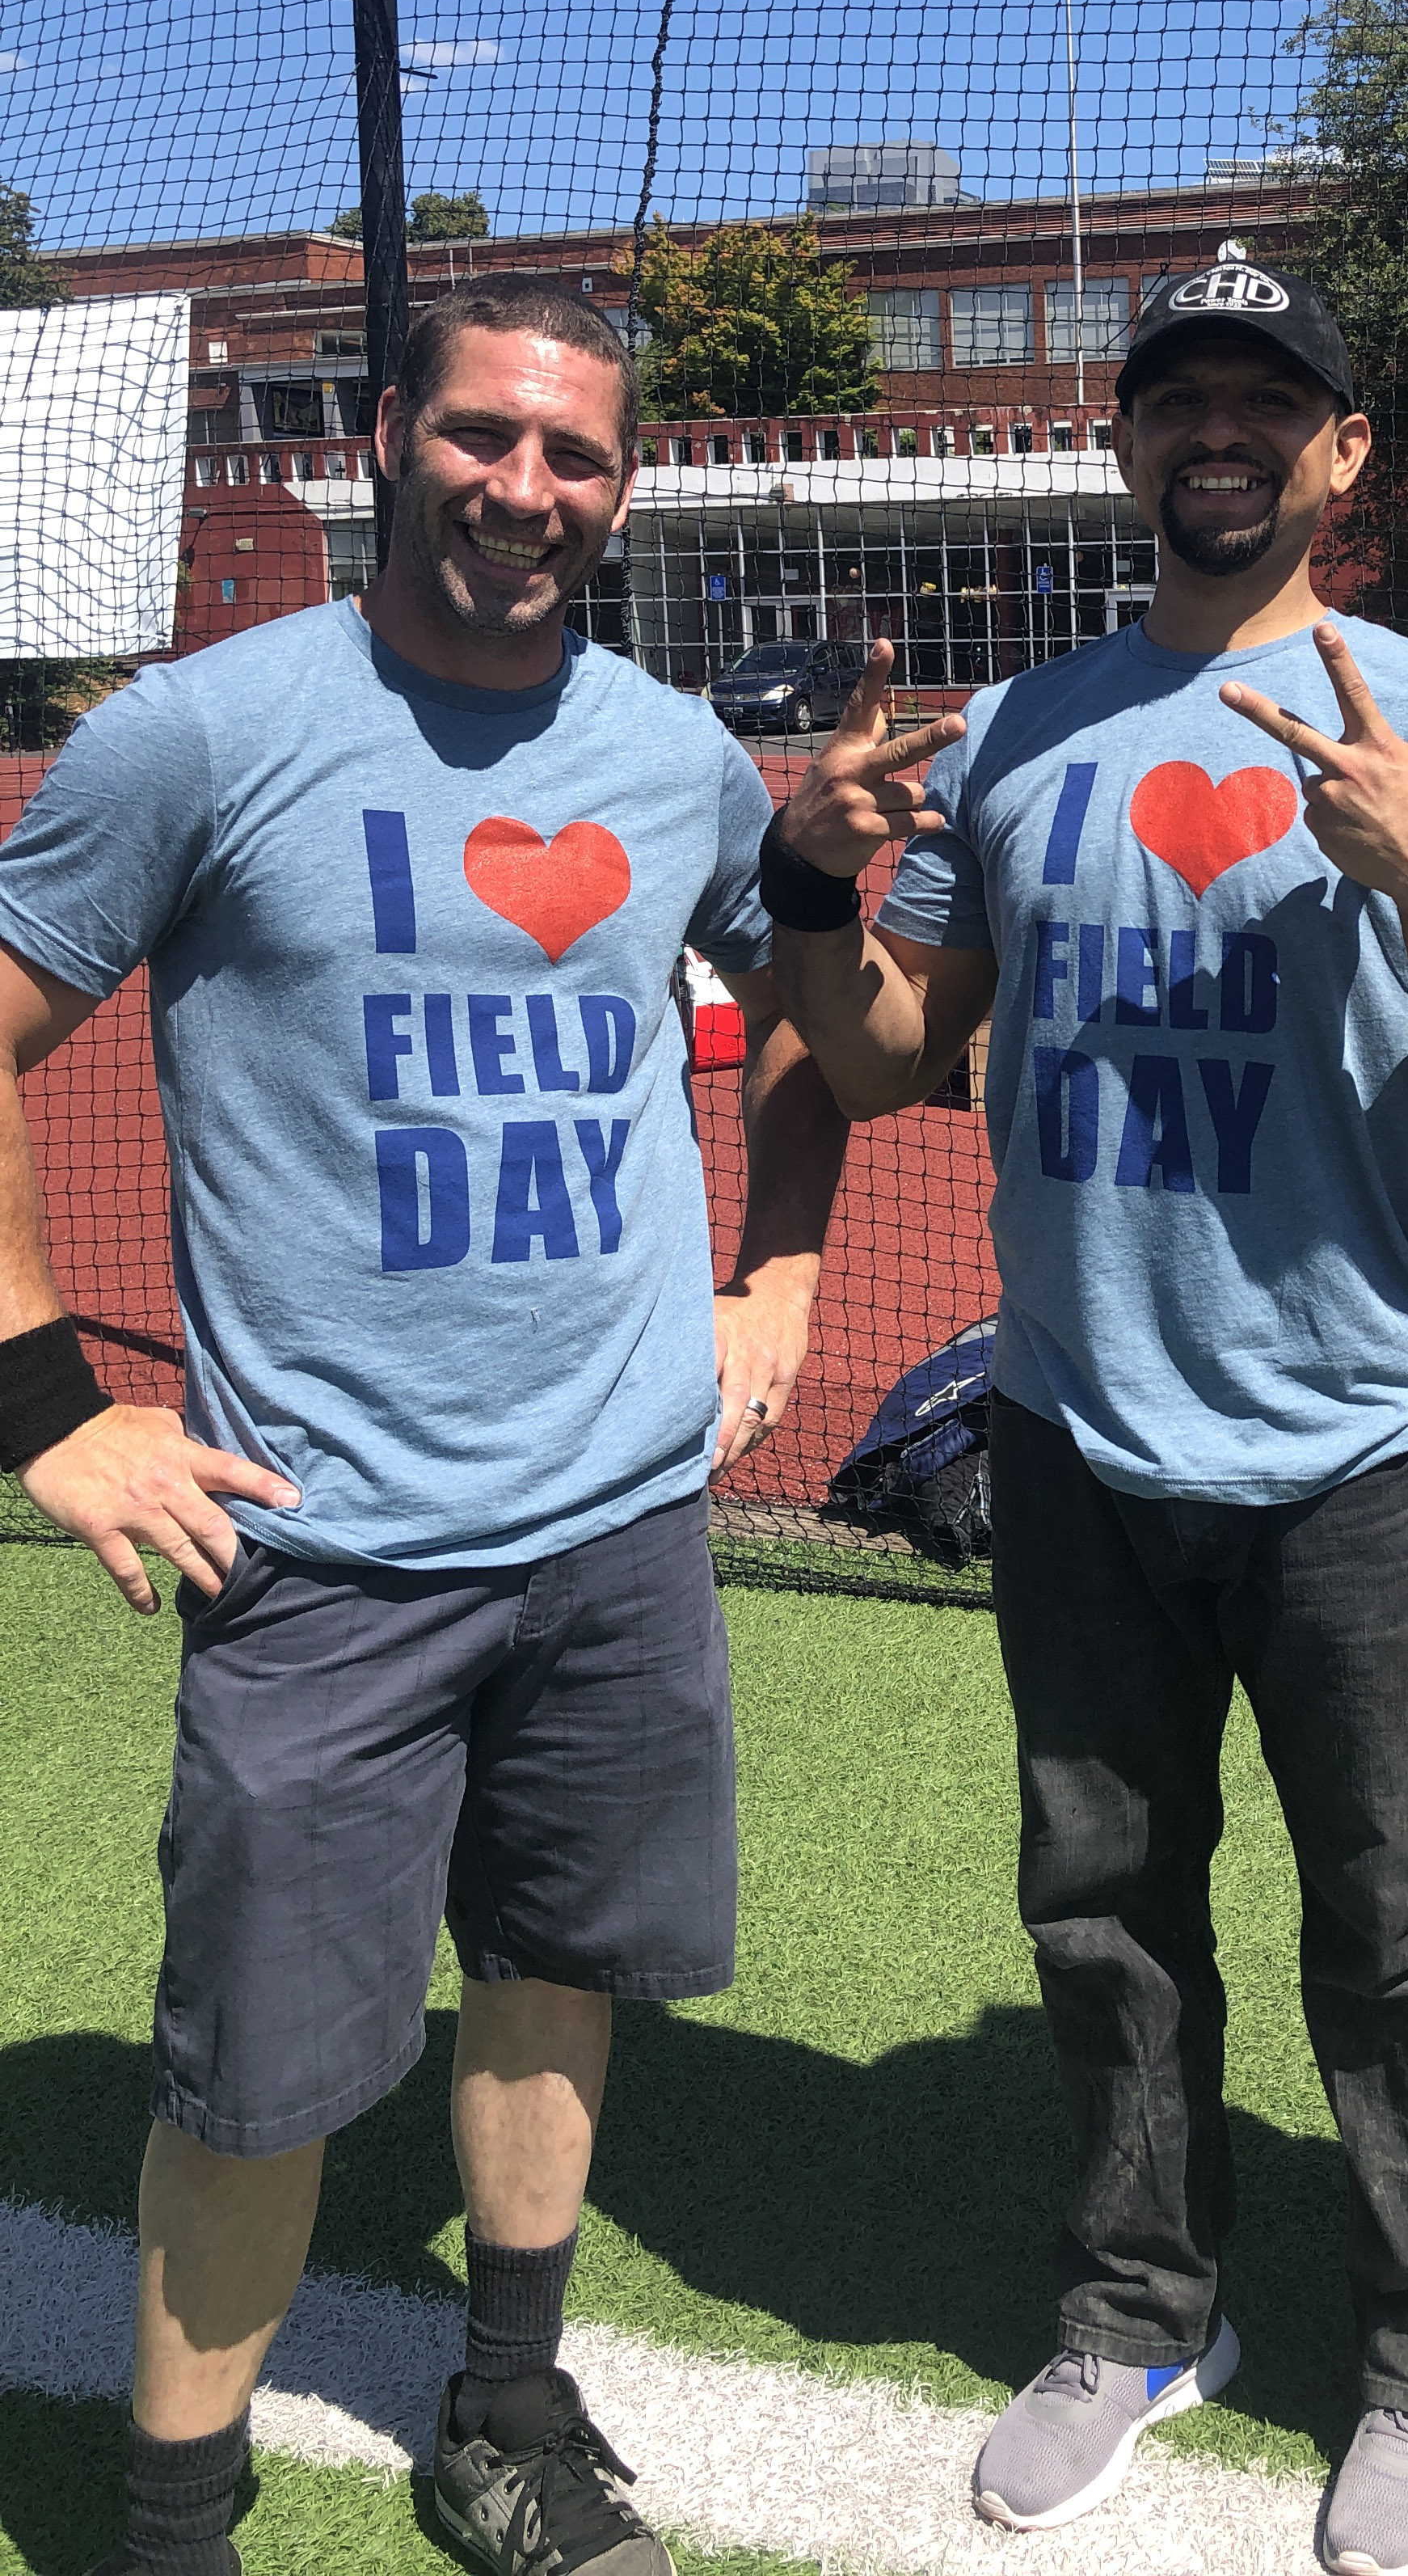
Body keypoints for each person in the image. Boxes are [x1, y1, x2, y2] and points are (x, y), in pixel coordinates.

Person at [763, 248, 1408, 2576]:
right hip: (1077, 1439)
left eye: (1273, 400)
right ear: (1130, 450)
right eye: (1180, 400)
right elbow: (877, 1055)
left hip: (1351, 1446)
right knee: (1109, 1907)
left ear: (1341, 454)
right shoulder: (1031, 731)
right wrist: (809, 886)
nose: (1218, 433)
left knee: (1399, 1923)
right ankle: (1141, 2315)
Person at [6, 280, 843, 2576]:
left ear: (626, 485)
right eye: (483, 438)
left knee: (556, 1975)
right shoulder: (200, 737)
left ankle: (506, 2415)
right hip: (325, 1556)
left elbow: (811, 1023)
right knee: (253, 2086)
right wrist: (44, 1414)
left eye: (576, 457)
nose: (525, 491)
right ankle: (168, 2529)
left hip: (615, 1532)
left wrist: (776, 1273)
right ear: (390, 435)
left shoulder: (675, 761)